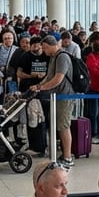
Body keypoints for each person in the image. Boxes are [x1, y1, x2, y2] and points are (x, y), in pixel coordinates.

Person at [31, 35, 76, 166]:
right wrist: (38, 86)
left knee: (63, 126)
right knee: (59, 125)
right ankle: (63, 154)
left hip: (65, 96)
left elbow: (58, 79)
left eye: (45, 48)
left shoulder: (62, 57)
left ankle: (68, 157)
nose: (44, 51)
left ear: (52, 45)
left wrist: (42, 87)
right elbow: (49, 76)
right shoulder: (53, 57)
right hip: (56, 96)